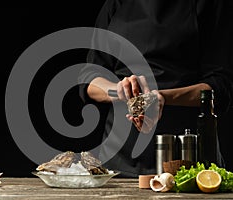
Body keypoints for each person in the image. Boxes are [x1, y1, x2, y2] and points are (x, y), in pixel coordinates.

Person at [78, 0, 233, 177]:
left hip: (187, 158)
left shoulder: (210, 4)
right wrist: (120, 90)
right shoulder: (116, 3)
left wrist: (162, 98)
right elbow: (89, 79)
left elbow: (220, 86)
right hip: (119, 160)